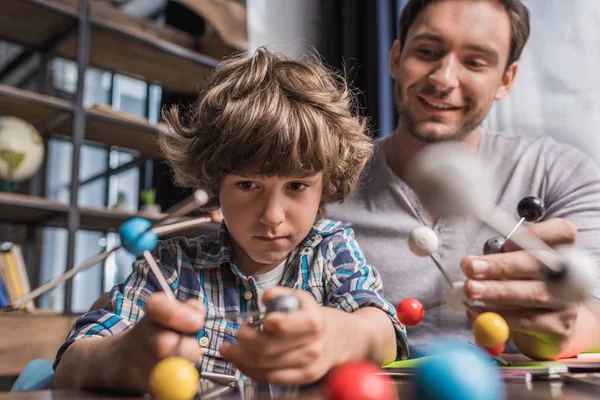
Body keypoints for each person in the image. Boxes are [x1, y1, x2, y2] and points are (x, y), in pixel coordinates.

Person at [53, 48, 407, 394]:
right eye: (247, 184)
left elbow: (382, 330)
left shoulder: (330, 249)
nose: (272, 215)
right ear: (214, 184)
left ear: (324, 184)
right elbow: (70, 366)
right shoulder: (172, 266)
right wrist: (122, 357)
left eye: (297, 185)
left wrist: (338, 336)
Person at [328, 0, 600, 360]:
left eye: (474, 62)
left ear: (506, 80)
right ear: (395, 58)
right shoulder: (325, 182)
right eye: (427, 51)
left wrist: (566, 327)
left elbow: (594, 312)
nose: (443, 79)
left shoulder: (559, 173)